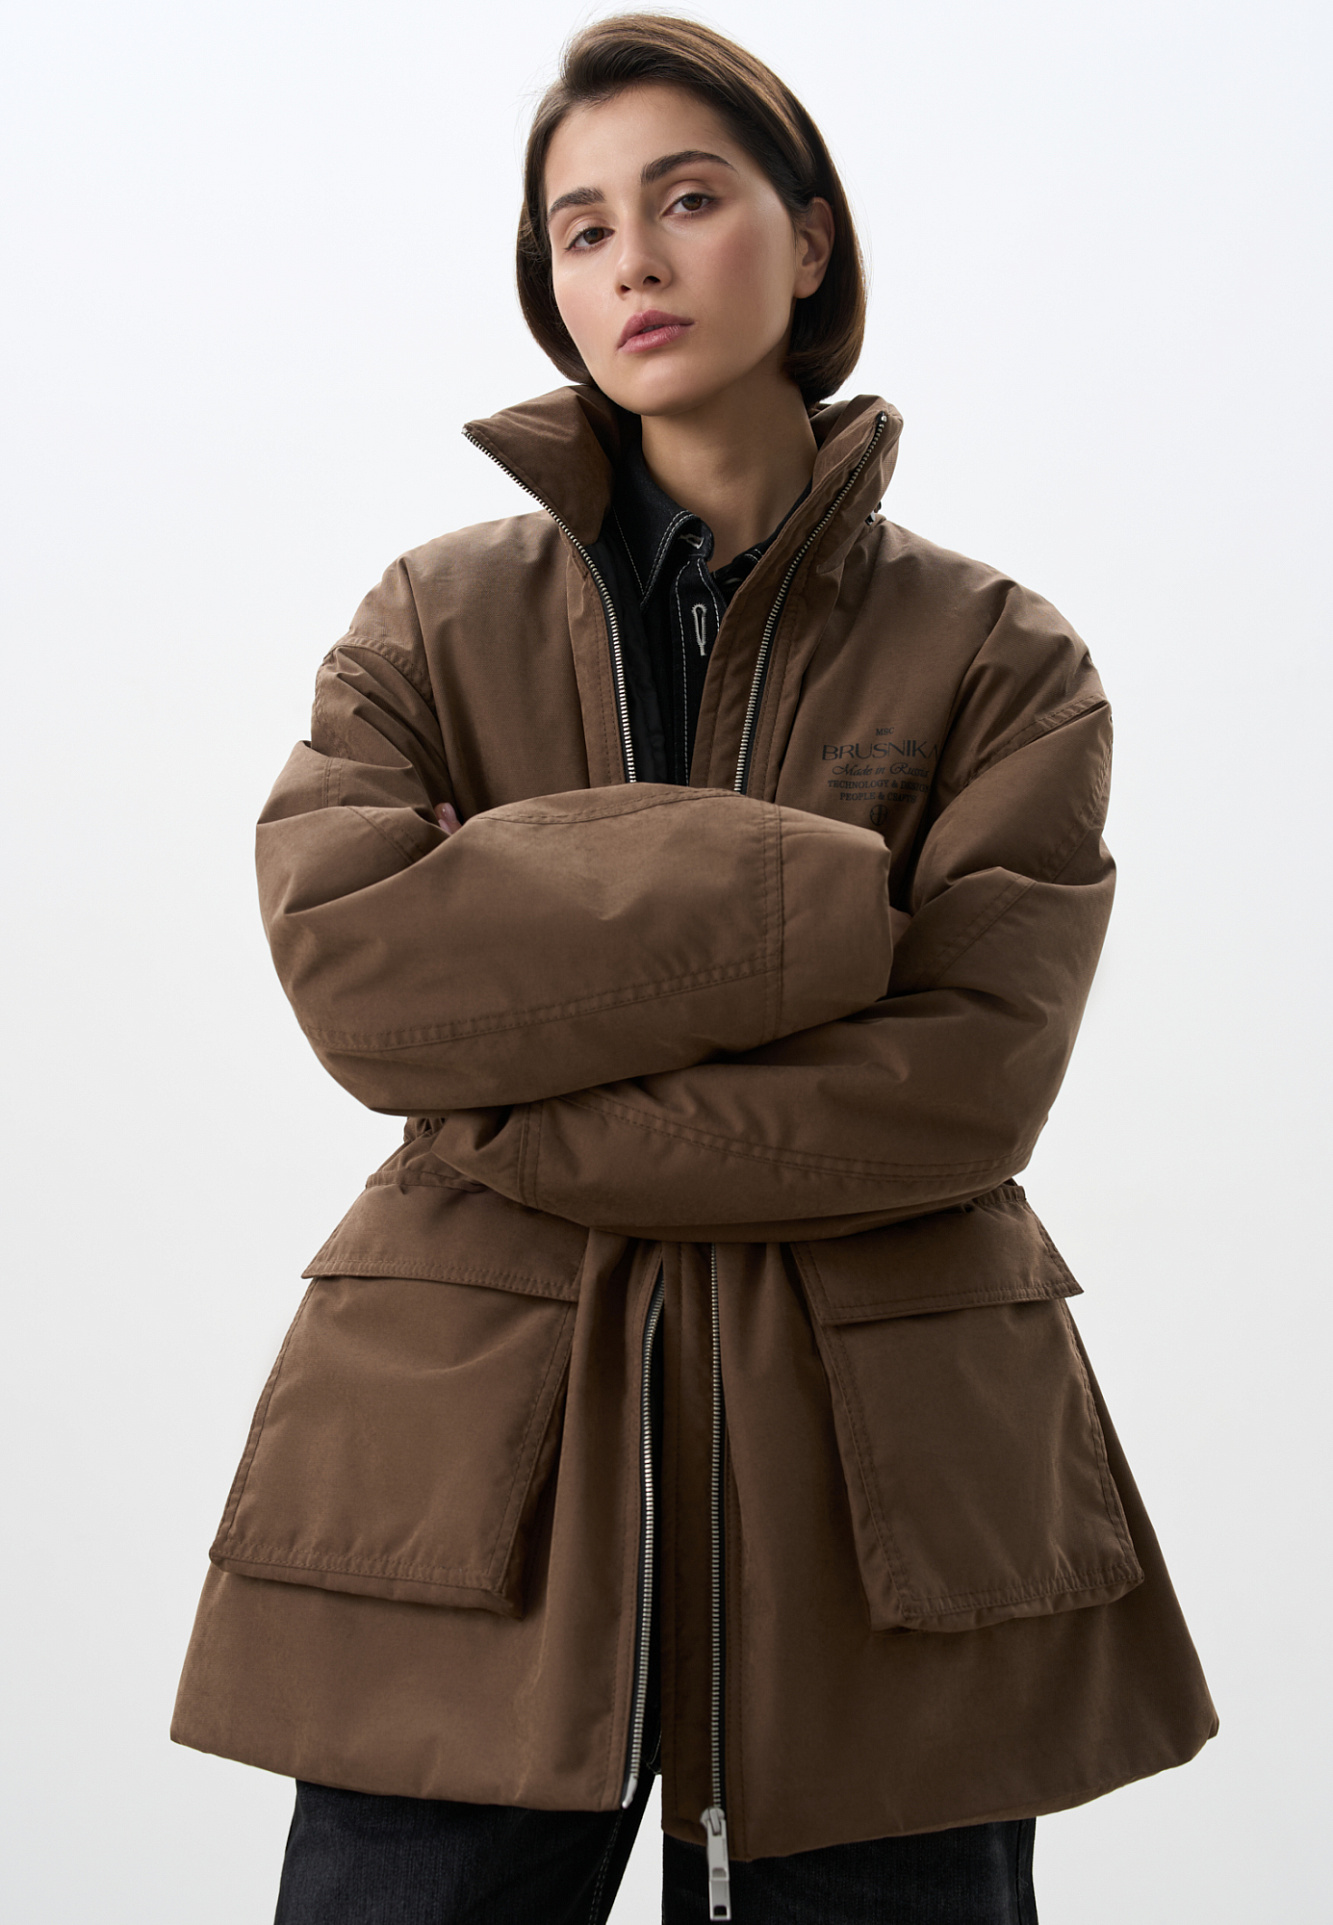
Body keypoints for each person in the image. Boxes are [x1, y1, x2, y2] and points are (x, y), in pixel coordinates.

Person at [172, 15, 1218, 1922]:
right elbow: (358, 972)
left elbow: (962, 1089)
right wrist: (812, 911)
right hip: (465, 1483)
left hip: (878, 1501)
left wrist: (509, 1098)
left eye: (685, 198)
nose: (631, 261)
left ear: (806, 239)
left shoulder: (1000, 660)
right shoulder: (429, 621)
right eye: (580, 229)